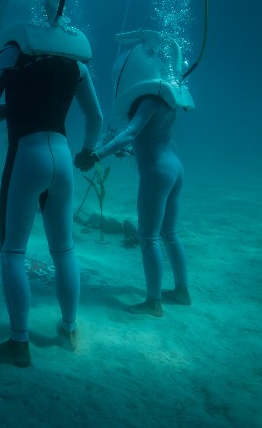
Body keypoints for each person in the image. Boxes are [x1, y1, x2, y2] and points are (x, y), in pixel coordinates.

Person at [0, 0, 103, 367]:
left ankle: (19, 343)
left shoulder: (13, 51)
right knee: (64, 249)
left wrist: (13, 109)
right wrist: (88, 150)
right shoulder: (76, 63)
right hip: (63, 155)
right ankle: (69, 330)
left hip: (26, 156)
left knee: (12, 251)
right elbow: (95, 118)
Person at [75, 29, 194, 317]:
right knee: (170, 232)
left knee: (149, 236)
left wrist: (95, 155)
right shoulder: (168, 95)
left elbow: (131, 132)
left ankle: (153, 302)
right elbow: (145, 137)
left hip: (156, 170)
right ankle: (181, 290)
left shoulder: (148, 98)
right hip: (173, 165)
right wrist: (123, 150)